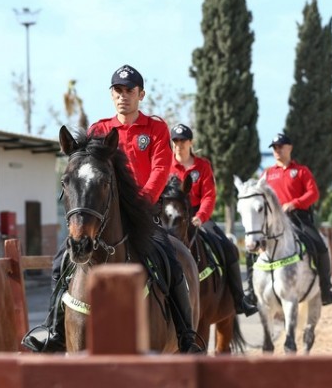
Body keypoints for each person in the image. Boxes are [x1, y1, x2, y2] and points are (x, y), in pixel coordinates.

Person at [22, 64, 202, 353]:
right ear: (111, 95)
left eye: (129, 90)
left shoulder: (155, 128)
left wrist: (139, 202)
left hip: (144, 217)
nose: (123, 96)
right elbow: (84, 173)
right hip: (101, 218)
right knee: (61, 261)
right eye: (118, 91)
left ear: (140, 94)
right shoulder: (99, 130)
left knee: (172, 259)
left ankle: (186, 337)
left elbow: (160, 169)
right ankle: (55, 331)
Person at [169, 123, 257, 317]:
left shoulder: (202, 165)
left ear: (191, 142)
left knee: (227, 247)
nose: (179, 145)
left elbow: (209, 196)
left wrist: (200, 217)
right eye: (175, 141)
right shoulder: (165, 165)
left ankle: (239, 299)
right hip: (172, 216)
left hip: (196, 215)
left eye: (183, 141)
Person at [252, 132, 332, 306]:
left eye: (280, 146)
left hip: (298, 218)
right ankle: (251, 292)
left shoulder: (301, 171)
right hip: (273, 222)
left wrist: (295, 203)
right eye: (274, 148)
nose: (277, 150)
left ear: (290, 148)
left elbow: (313, 193)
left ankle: (326, 290)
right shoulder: (267, 174)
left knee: (319, 245)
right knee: (254, 245)